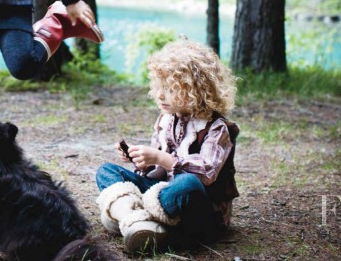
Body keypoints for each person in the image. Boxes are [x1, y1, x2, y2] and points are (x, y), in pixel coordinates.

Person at [94, 39, 239, 254]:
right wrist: (143, 161)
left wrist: (161, 158)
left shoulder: (217, 128)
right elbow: (159, 172)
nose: (161, 95)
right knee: (106, 171)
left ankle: (129, 216)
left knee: (187, 183)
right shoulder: (166, 119)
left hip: (200, 209)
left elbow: (207, 174)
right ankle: (138, 222)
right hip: (163, 196)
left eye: (170, 89)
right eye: (159, 87)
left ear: (196, 91)